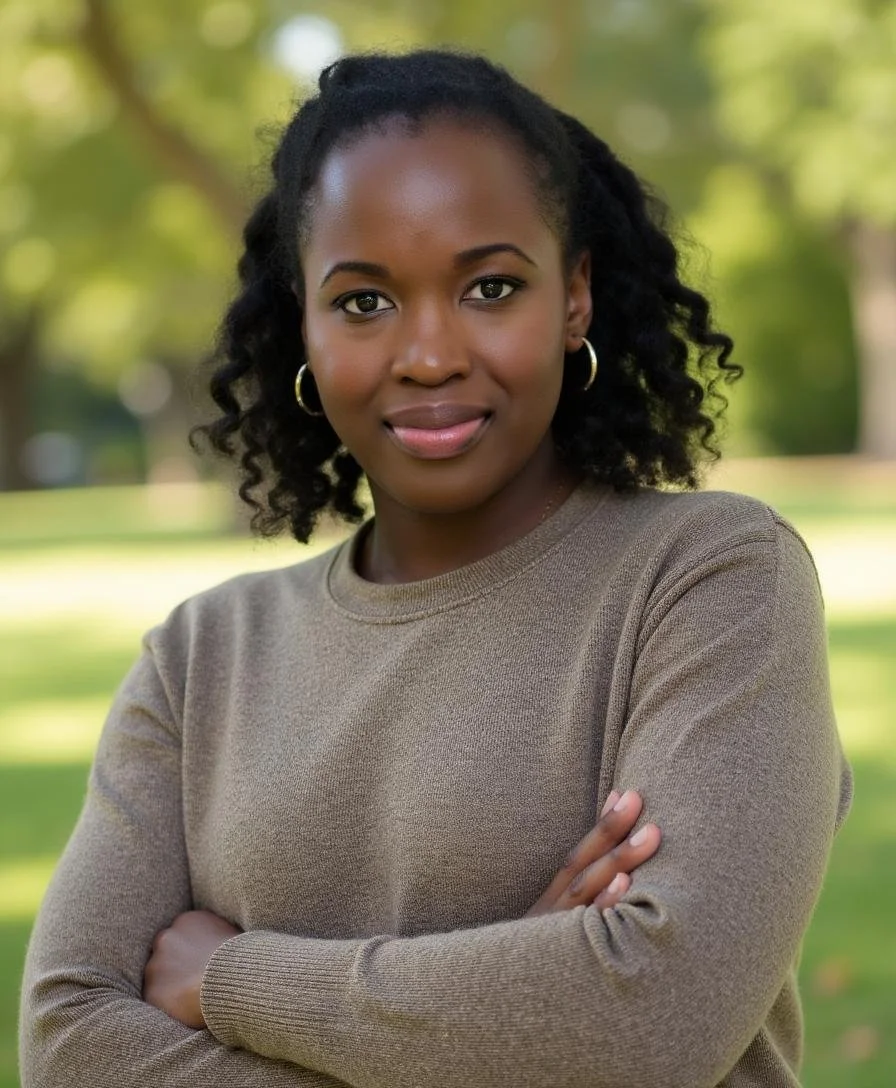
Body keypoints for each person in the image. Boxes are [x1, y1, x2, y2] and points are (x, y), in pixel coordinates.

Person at [20, 48, 851, 1088]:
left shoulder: (708, 581)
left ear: (574, 296)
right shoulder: (201, 657)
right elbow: (68, 1040)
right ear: (305, 324)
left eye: (489, 286)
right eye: (364, 302)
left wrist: (232, 982)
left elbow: (652, 1014)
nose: (427, 353)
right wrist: (513, 1012)